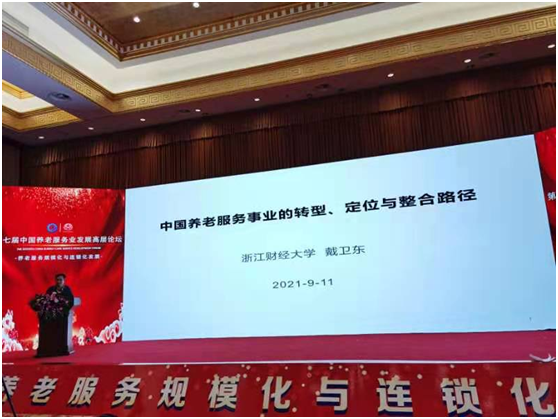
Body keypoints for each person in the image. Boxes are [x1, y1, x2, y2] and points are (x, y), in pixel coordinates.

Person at [36, 273, 75, 357]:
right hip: (50, 314)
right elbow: (45, 300)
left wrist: (60, 303)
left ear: (64, 281)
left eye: (60, 280)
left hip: (62, 314)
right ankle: (46, 350)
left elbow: (70, 302)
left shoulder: (67, 290)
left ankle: (61, 350)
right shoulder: (51, 289)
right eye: (57, 280)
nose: (59, 281)